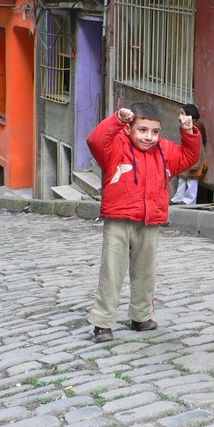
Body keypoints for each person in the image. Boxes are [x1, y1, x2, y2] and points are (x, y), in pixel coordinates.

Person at [86, 101, 201, 343]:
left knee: (145, 272)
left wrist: (188, 132)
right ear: (128, 129)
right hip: (119, 220)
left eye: (155, 132)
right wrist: (117, 118)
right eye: (142, 130)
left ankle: (141, 316)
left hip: (150, 220)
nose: (149, 137)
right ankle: (103, 323)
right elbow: (95, 140)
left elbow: (189, 156)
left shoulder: (165, 151)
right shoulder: (115, 147)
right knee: (112, 272)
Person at [171, 103, 207, 205]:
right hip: (187, 153)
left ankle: (189, 200)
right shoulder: (185, 126)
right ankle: (178, 198)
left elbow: (201, 141)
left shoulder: (197, 126)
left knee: (192, 178)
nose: (180, 116)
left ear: (190, 115)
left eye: (182, 113)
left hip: (196, 155)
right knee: (182, 176)